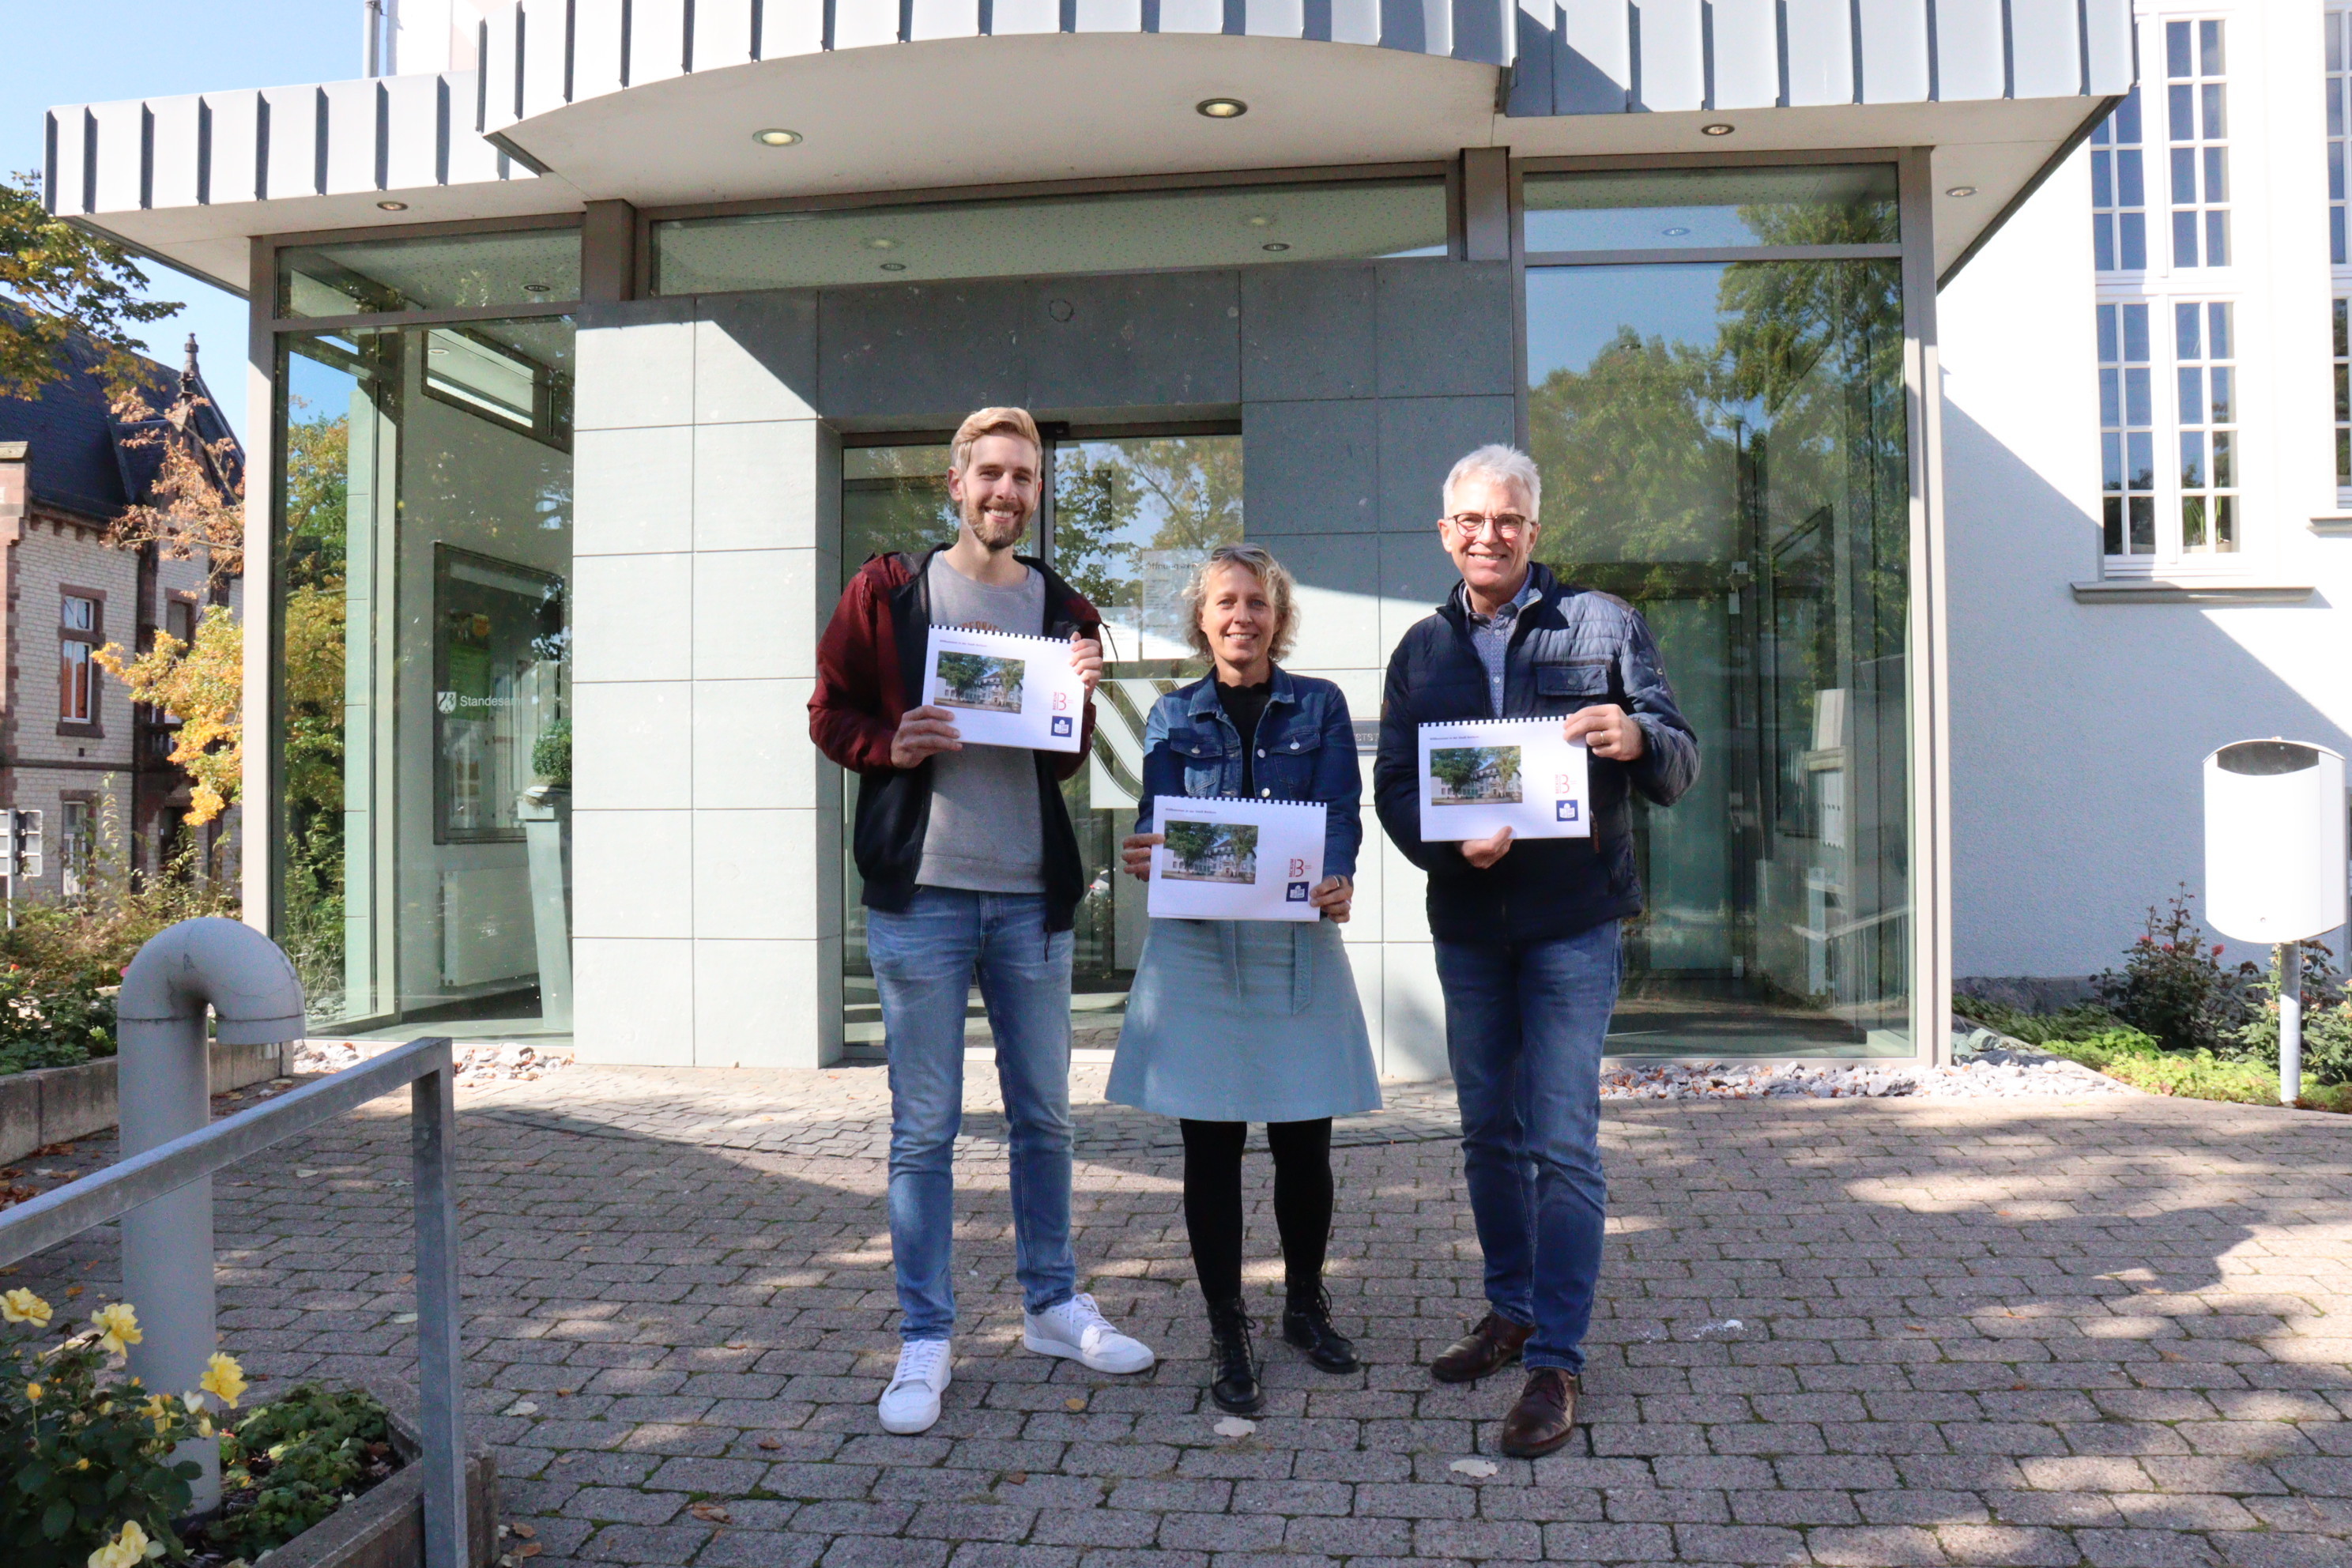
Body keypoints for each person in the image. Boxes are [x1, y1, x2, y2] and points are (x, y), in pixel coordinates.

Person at [808, 405, 1155, 1436]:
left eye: (1024, 477)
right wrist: (892, 742)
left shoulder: (1065, 607)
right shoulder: (889, 594)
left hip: (1027, 899)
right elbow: (830, 713)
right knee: (924, 1129)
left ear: (1035, 494)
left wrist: (1084, 696)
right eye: (990, 474)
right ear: (955, 485)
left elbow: (1057, 758)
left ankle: (1052, 1305)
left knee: (1045, 1118)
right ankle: (926, 1338)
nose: (1006, 492)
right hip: (922, 894)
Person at [1373, 444, 1698, 1457]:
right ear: (1445, 532)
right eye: (1469, 520)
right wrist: (1443, 841)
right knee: (1485, 1135)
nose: (1487, 535)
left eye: (1506, 520)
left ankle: (1556, 1357)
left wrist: (1637, 737)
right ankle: (1508, 1309)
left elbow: (1681, 761)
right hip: (1470, 925)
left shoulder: (1603, 624)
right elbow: (1393, 788)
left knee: (1563, 1141)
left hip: (1570, 924)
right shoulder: (1420, 650)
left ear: (1534, 530)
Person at [1106, 543, 1379, 1414]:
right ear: (1203, 616)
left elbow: (1341, 812)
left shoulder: (1322, 705)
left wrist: (1336, 876)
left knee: (1306, 1142)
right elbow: (1158, 820)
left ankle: (1303, 1304)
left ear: (1278, 617)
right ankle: (1229, 1324)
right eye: (1226, 602)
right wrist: (1147, 850)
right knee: (1211, 1146)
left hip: (1295, 941)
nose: (1242, 617)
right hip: (1197, 949)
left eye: (1257, 603)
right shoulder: (1169, 715)